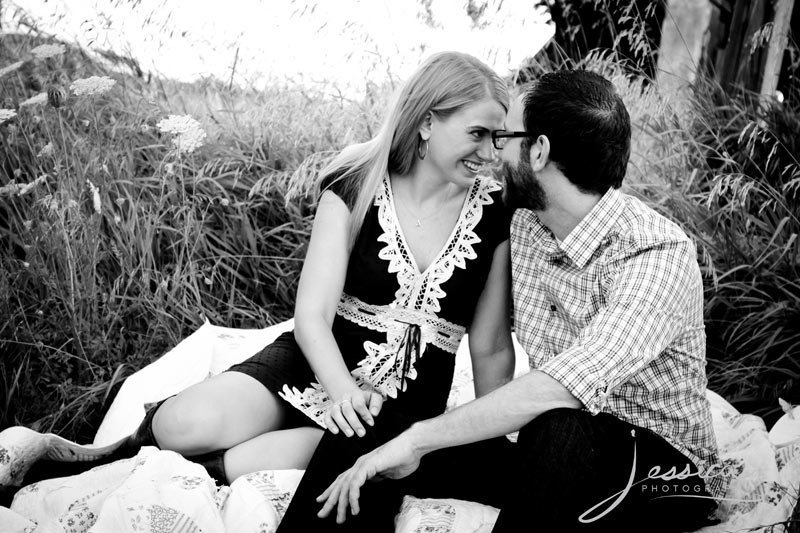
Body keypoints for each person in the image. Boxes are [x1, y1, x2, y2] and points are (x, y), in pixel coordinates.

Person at [0, 51, 515, 493]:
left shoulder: (496, 214)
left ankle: (107, 478)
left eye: (498, 137)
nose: (491, 152)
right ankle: (102, 453)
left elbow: (489, 347)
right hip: (317, 361)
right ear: (427, 121)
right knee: (187, 424)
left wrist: (484, 440)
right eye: (478, 133)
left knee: (269, 460)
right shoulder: (358, 182)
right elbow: (311, 315)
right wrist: (339, 392)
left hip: (397, 402)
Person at [274, 70, 727, 532]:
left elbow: (564, 387)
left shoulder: (656, 252)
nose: (493, 154)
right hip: (550, 457)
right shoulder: (527, 224)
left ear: (539, 150)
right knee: (375, 423)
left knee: (556, 425)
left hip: (661, 475)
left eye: (504, 137)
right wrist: (410, 437)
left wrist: (421, 441)